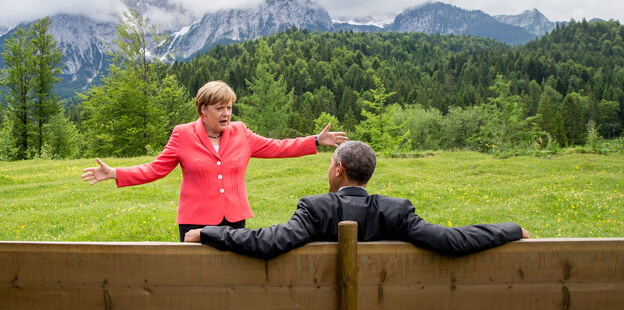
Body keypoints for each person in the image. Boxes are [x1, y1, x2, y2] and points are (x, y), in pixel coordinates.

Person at [81, 81, 347, 241]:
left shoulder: (241, 132)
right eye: (220, 108)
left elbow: (277, 147)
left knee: (232, 277)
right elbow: (155, 169)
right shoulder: (182, 134)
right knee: (196, 279)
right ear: (203, 109)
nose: (226, 113)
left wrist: (314, 140)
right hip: (195, 220)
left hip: (234, 219)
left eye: (229, 107)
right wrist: (116, 173)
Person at [184, 141, 530, 259]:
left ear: (338, 169)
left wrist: (209, 232)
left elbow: (269, 242)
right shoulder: (396, 211)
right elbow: (454, 240)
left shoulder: (315, 208)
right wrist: (512, 229)